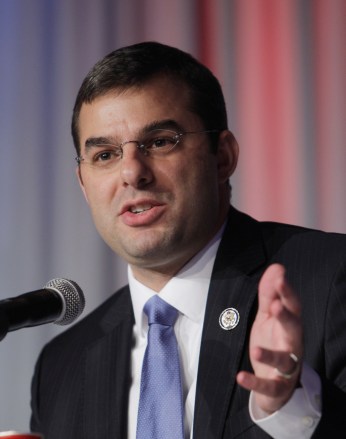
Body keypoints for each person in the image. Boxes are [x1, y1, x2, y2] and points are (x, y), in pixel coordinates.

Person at [30, 42, 346, 438]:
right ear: (83, 184)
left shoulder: (332, 281)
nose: (132, 173)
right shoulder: (62, 366)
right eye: (105, 155)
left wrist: (288, 410)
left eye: (160, 142)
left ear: (223, 157)